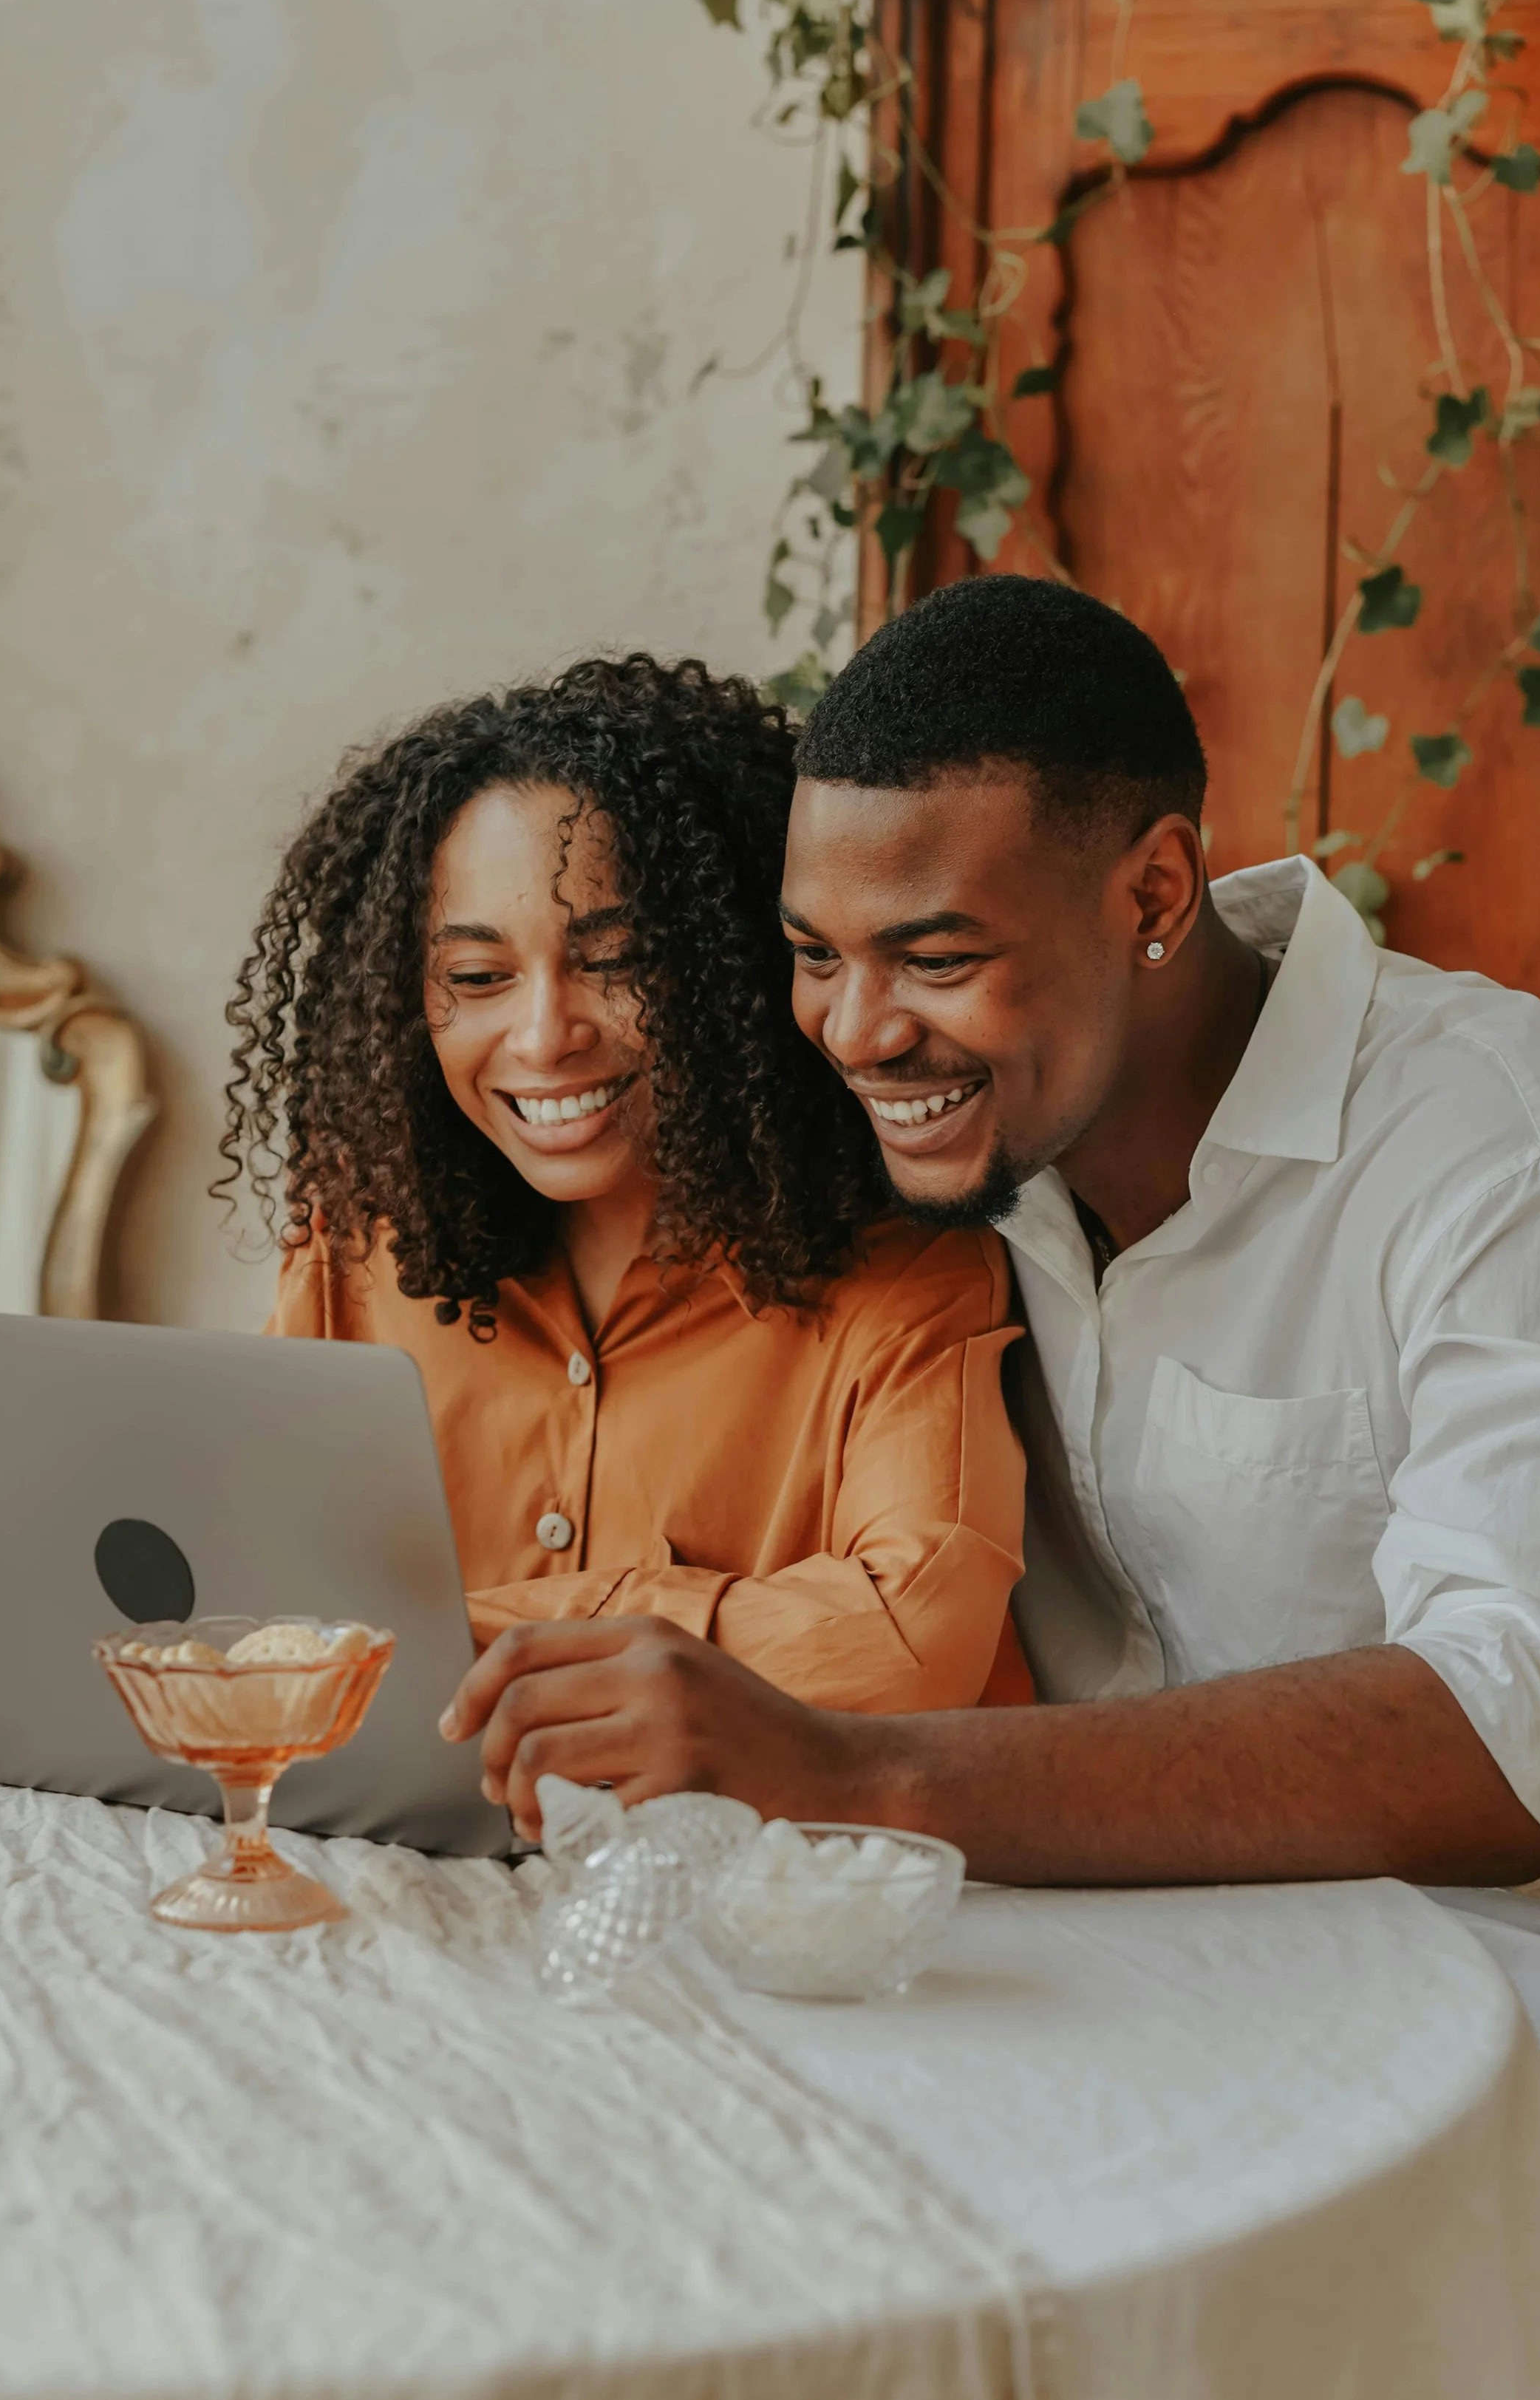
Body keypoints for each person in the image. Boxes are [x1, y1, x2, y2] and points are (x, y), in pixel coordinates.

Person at [443, 577, 1540, 2300]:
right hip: (1074, 2001)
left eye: (934, 957)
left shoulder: (1500, 1157)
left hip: (1509, 2063)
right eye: (812, 956)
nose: (854, 1032)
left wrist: (849, 1772)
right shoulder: (952, 1137)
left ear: (1150, 892)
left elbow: (1529, 1728)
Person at [223, 650, 1030, 1714]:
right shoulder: (353, 1249)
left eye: (615, 960)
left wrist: (453, 1636)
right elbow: (252, 1602)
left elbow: (901, 1644)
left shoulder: (911, 1274)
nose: (545, 1035)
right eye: (476, 978)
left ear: (725, 964)